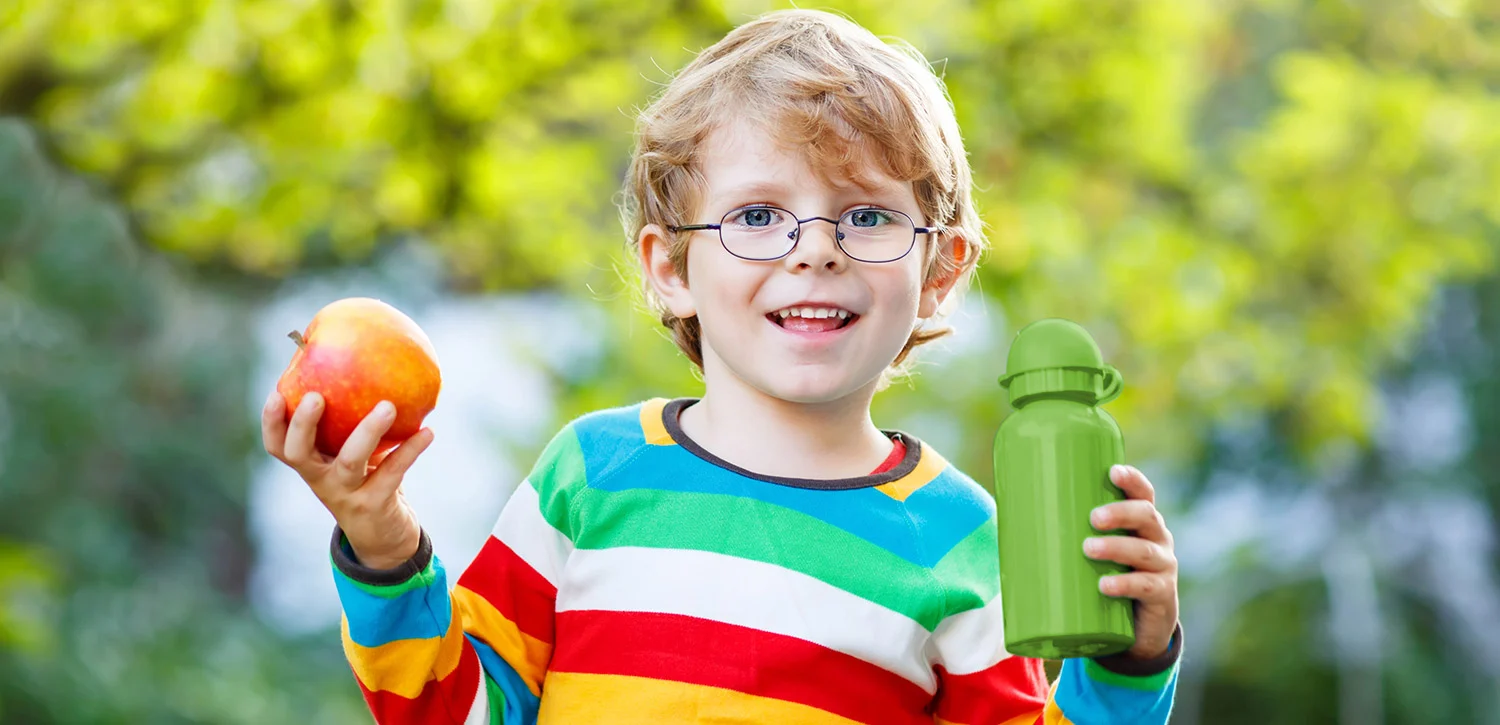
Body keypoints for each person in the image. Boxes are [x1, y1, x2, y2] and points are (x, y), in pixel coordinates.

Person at [261, 9, 1183, 724]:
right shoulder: (592, 476)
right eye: (756, 216)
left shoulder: (958, 538)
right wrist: (383, 548)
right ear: (671, 269)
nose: (814, 249)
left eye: (866, 216)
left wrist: (1128, 666)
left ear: (939, 271)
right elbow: (454, 709)